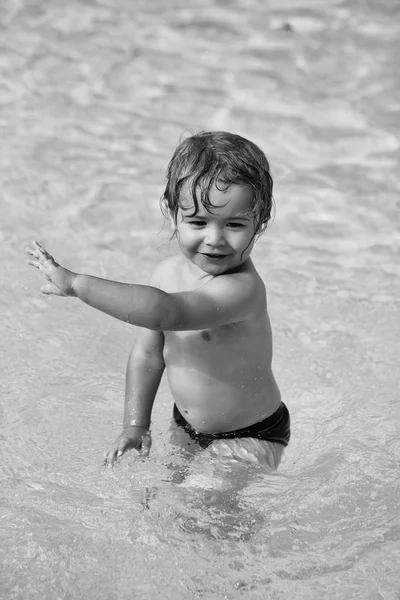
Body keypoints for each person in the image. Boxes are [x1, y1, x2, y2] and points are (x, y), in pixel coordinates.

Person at [25, 131, 290, 471]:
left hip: (249, 434)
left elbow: (168, 312)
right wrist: (135, 424)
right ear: (173, 213)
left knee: (199, 510)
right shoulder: (166, 274)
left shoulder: (242, 289)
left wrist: (78, 284)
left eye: (235, 224)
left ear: (260, 224)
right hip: (187, 426)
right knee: (165, 506)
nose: (215, 239)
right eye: (198, 222)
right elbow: (148, 355)